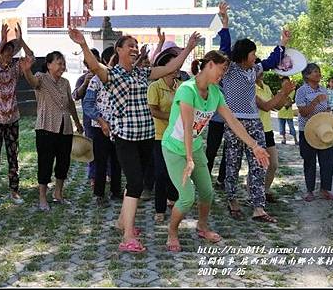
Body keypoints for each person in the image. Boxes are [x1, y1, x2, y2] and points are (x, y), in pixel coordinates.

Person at [68, 25, 200, 253]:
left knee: (136, 182)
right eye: (130, 45)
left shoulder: (142, 73)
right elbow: (94, 65)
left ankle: (122, 221)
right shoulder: (113, 75)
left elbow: (171, 67)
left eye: (136, 46)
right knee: (136, 183)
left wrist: (188, 48)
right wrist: (82, 43)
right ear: (118, 50)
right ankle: (127, 236)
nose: (134, 49)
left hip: (146, 137)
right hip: (125, 138)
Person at [162, 50, 270, 252]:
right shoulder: (187, 89)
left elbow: (233, 121)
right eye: (222, 69)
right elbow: (187, 127)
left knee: (207, 192)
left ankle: (202, 227)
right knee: (186, 198)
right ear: (210, 64)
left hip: (194, 147)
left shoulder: (215, 93)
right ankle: (172, 232)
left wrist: (254, 146)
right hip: (175, 149)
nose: (223, 74)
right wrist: (188, 159)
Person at [217, 6, 290, 222]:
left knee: (260, 163)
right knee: (232, 162)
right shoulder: (228, 69)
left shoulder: (254, 69)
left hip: (254, 123)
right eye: (252, 53)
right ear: (242, 55)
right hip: (234, 123)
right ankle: (232, 200)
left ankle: (258, 206)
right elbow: (224, 49)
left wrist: (283, 43)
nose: (255, 56)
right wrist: (225, 25)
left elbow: (270, 61)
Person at [21, 50, 83, 211]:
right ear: (49, 65)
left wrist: (77, 122)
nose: (62, 66)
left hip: (65, 128)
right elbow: (33, 82)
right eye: (59, 63)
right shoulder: (42, 78)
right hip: (46, 127)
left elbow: (70, 104)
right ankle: (42, 198)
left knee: (63, 162)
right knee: (45, 163)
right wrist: (27, 70)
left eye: (63, 63)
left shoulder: (65, 83)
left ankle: (58, 194)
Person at [0, 23, 34, 206]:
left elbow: (30, 58)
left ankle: (14, 191)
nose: (9, 53)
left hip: (12, 117)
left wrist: (21, 41)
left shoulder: (15, 67)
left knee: (13, 155)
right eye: (6, 50)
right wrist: (3, 40)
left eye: (11, 50)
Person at [147, 41, 182, 223]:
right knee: (160, 173)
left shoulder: (180, 86)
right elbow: (153, 110)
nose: (177, 68)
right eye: (173, 64)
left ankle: (174, 200)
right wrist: (174, 116)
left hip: (178, 137)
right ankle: (159, 209)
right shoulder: (155, 86)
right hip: (160, 136)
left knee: (175, 172)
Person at [83, 46, 123, 206]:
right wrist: (101, 121)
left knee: (117, 160)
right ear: (106, 61)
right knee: (101, 161)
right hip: (100, 128)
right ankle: (99, 194)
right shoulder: (96, 80)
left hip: (119, 127)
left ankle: (116, 191)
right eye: (115, 60)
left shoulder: (122, 79)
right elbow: (88, 104)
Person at [295, 63, 333, 202]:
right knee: (309, 161)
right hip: (307, 131)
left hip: (324, 131)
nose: (319, 74)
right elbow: (303, 113)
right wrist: (314, 102)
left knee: (328, 161)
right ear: (307, 75)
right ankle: (310, 191)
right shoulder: (302, 91)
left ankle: (326, 190)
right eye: (315, 72)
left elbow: (327, 107)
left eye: (319, 71)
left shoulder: (323, 89)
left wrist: (328, 113)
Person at [255, 72, 296, 203]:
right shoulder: (249, 87)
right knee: (257, 166)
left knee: (273, 164)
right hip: (254, 130)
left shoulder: (266, 87)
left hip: (267, 130)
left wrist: (285, 93)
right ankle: (254, 195)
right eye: (257, 69)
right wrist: (282, 92)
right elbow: (266, 107)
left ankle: (265, 191)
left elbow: (276, 106)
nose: (260, 72)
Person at [206, 2, 230, 190]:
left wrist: (226, 25)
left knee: (228, 151)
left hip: (228, 118)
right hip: (215, 118)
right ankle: (204, 178)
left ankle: (221, 179)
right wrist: (225, 25)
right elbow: (224, 49)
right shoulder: (210, 77)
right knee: (211, 150)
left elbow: (226, 50)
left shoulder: (231, 71)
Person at [72, 47, 101, 190]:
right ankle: (93, 177)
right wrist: (85, 83)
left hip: (105, 120)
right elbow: (75, 96)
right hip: (90, 121)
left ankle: (107, 174)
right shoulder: (82, 79)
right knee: (91, 149)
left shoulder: (104, 75)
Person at [278, 76, 298, 145]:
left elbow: (288, 101)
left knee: (292, 127)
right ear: (282, 83)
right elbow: (284, 102)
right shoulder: (279, 91)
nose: (286, 84)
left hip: (289, 113)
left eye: (287, 82)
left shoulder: (292, 91)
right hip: (280, 113)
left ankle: (295, 140)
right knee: (281, 128)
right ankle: (284, 139)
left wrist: (287, 102)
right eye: (284, 82)